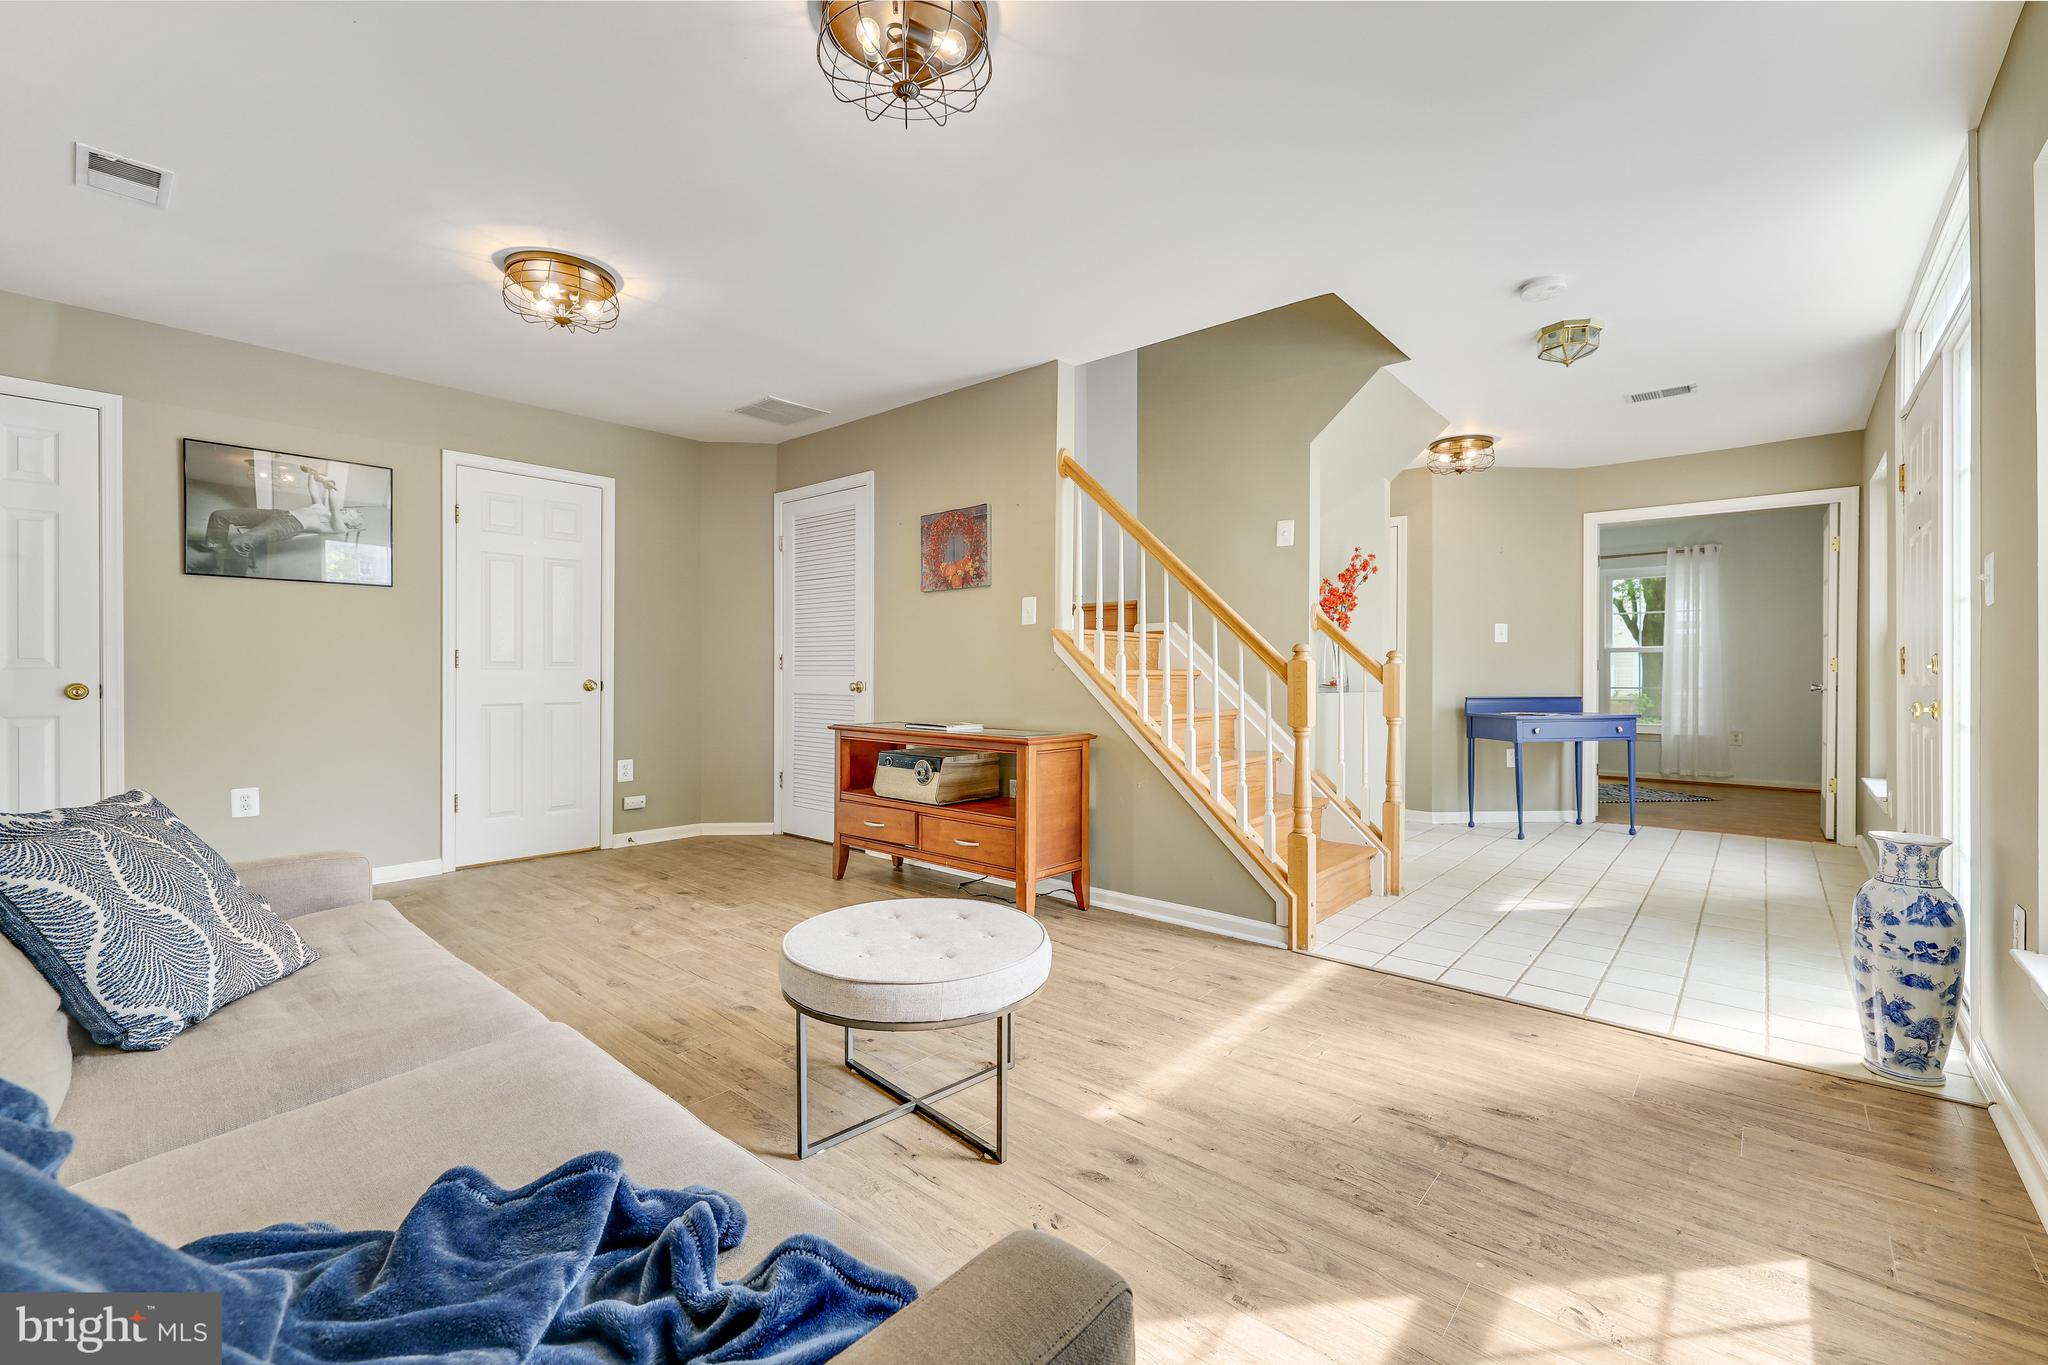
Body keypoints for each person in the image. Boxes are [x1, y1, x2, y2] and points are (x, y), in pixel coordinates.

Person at [203, 465, 365, 562]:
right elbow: (313, 491)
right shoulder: (322, 509)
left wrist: (329, 489)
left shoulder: (338, 527)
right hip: (279, 513)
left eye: (351, 514)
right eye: (350, 509)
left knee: (239, 544)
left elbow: (335, 510)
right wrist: (312, 475)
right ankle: (216, 547)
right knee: (219, 515)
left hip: (290, 525)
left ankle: (234, 581)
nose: (348, 510)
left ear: (350, 523)